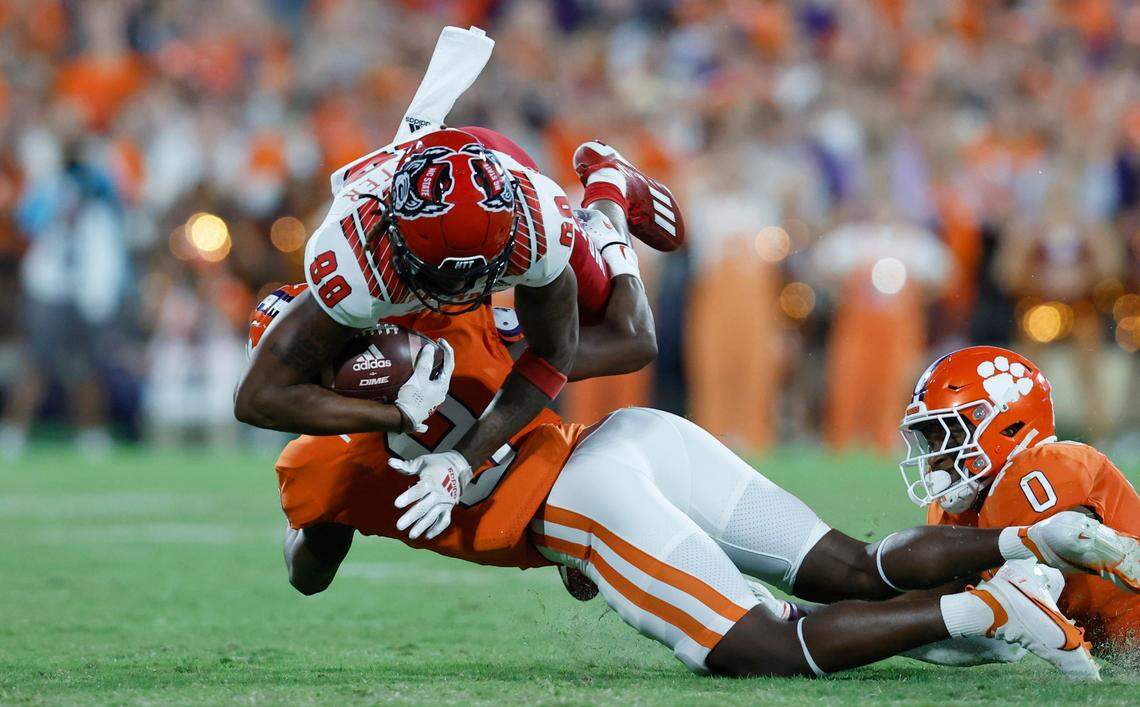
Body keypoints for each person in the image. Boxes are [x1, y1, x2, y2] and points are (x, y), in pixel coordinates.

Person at [248, 267, 1118, 680]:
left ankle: (987, 606)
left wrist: (320, 510)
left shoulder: (321, 459)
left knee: (762, 643)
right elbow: (627, 336)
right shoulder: (450, 316)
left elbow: (309, 572)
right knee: (851, 566)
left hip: (581, 502)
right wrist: (607, 232)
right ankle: (1029, 542)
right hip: (636, 437)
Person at [235, 125, 676, 505]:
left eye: (473, 276)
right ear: (394, 235)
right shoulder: (356, 260)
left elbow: (555, 356)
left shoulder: (537, 224)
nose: (460, 292)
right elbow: (257, 398)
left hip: (497, 183)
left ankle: (606, 192)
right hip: (429, 236)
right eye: (445, 278)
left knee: (631, 340)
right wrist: (397, 415)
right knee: (451, 379)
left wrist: (461, 462)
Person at [898, 346, 1140, 657]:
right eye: (931, 441)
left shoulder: (1047, 468)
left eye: (951, 436)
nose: (936, 457)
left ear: (1009, 425)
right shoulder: (961, 511)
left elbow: (1049, 560)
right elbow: (931, 602)